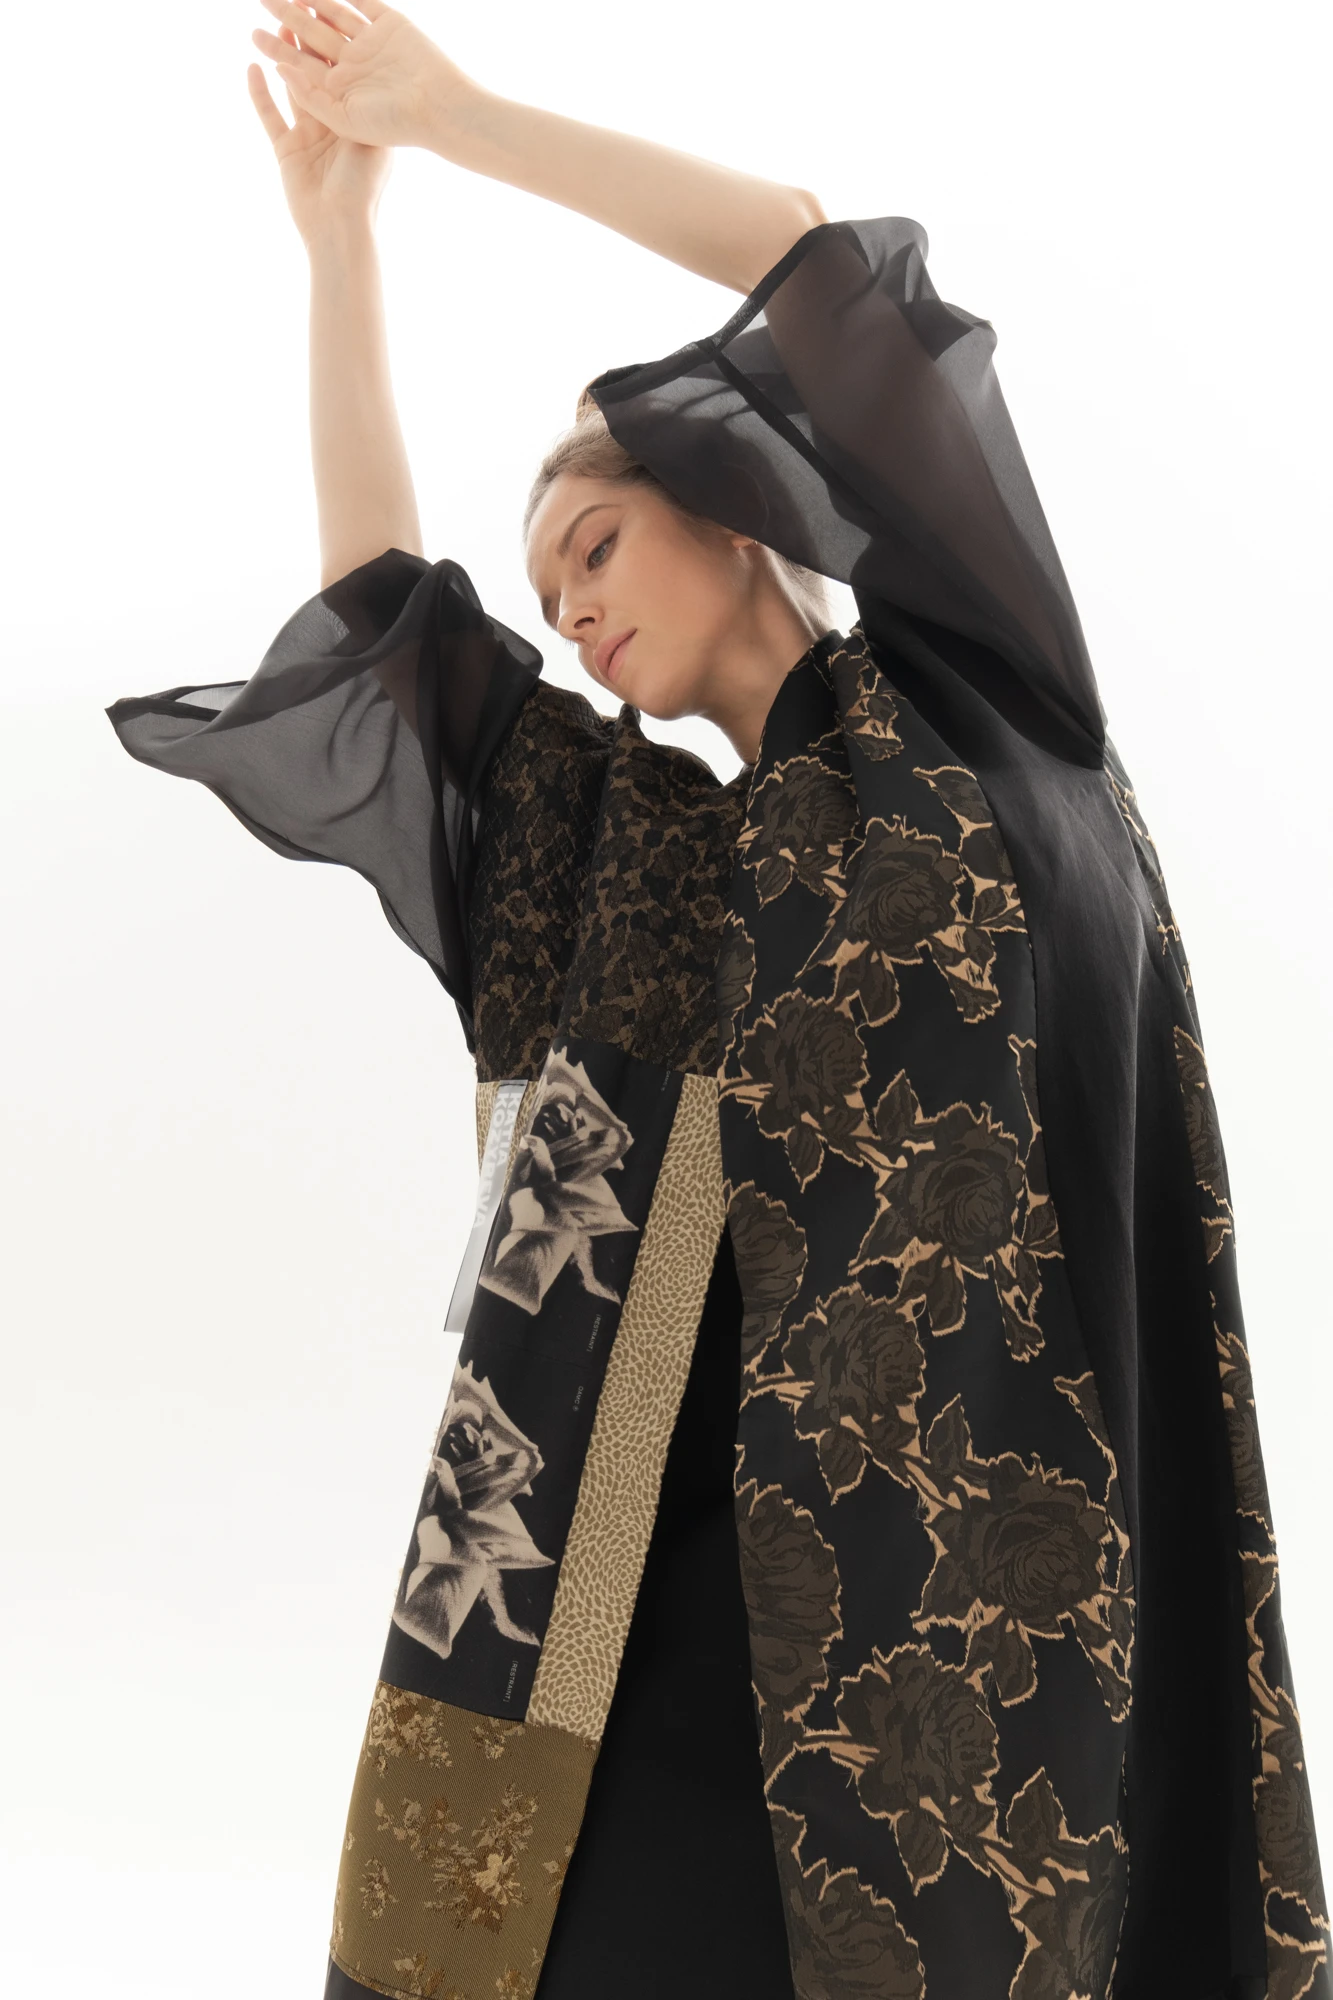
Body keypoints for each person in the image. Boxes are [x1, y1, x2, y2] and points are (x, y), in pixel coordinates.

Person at [107, 4, 1329, 1998]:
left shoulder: (984, 692)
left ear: (733, 495)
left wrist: (452, 115)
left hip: (991, 1614)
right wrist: (340, 241)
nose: (574, 609)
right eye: (552, 592)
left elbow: (803, 255)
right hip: (661, 1597)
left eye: (594, 544)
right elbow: (388, 633)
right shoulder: (646, 862)